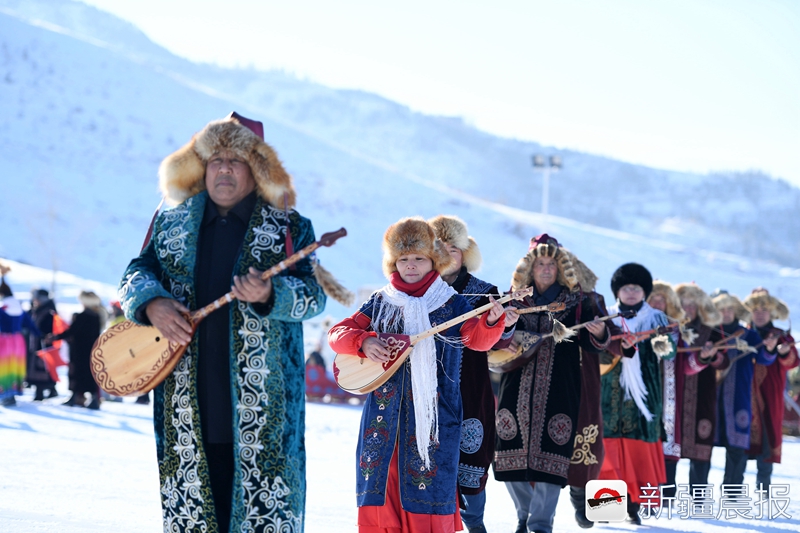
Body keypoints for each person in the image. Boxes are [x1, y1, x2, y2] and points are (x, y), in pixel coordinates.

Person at [118, 112, 349, 532]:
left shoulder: (287, 227)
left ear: (256, 168)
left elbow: (314, 298)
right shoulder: (169, 224)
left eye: (236, 159)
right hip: (186, 410)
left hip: (265, 414)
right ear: (201, 166)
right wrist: (152, 304)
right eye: (215, 159)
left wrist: (270, 295)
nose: (224, 168)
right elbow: (135, 274)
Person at [328, 217, 506, 533]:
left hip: (433, 422)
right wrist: (364, 341)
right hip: (382, 423)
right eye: (403, 259)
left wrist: (492, 322)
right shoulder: (381, 301)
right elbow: (338, 333)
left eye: (418, 258)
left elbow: (477, 340)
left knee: (428, 505)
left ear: (432, 260)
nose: (410, 265)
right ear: (393, 262)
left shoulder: (452, 303)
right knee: (383, 500)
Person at [495, 234, 610, 533]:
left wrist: (598, 333)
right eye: (540, 264)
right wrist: (504, 329)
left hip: (561, 385)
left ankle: (541, 523)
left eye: (552, 264)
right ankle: (524, 515)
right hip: (516, 381)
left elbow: (597, 345)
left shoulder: (579, 302)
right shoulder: (513, 299)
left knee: (553, 456)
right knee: (509, 453)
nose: (546, 269)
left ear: (561, 268)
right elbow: (494, 339)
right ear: (529, 268)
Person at [429, 215, 519, 533]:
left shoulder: (485, 293)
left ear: (465, 253)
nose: (448, 254)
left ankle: (475, 523)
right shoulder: (419, 291)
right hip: (428, 390)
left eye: (455, 248)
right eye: (440, 247)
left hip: (471, 387)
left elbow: (499, 345)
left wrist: (503, 327)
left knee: (472, 461)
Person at [598, 263, 677, 525]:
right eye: (625, 288)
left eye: (636, 288)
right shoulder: (604, 317)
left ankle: (634, 506)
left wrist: (653, 343)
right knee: (607, 450)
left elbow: (669, 351)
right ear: (617, 291)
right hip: (608, 394)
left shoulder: (656, 319)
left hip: (643, 398)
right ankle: (606, 509)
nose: (631, 292)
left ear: (645, 291)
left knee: (636, 452)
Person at [711, 289, 776, 486]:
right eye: (722, 309)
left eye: (730, 308)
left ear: (737, 311)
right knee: (704, 445)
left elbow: (764, 358)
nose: (726, 312)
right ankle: (698, 493)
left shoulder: (749, 335)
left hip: (739, 397)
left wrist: (771, 348)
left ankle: (732, 489)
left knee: (737, 446)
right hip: (712, 397)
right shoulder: (710, 333)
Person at [743, 288, 798, 492]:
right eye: (755, 308)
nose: (759, 313)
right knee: (738, 444)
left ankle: (762, 490)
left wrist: (783, 352)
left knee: (767, 441)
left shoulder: (781, 336)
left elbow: (792, 362)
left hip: (769, 397)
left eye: (764, 309)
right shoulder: (743, 334)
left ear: (772, 312)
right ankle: (733, 491)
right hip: (743, 396)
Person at [673, 283, 725, 489]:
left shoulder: (711, 330)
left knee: (702, 446)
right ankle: (666, 494)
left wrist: (714, 355)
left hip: (703, 395)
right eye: (684, 304)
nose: (688, 309)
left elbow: (725, 361)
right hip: (674, 394)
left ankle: (698, 495)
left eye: (693, 305)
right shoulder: (670, 328)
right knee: (670, 446)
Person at [646, 281, 685, 498]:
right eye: (654, 298)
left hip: (668, 391)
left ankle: (668, 494)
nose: (658, 303)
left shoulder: (676, 328)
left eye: (662, 299)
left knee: (669, 441)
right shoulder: (636, 323)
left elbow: (687, 361)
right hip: (641, 390)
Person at [51, 291, 103, 409]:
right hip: (92, 349)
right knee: (89, 374)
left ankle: (75, 396)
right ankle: (93, 398)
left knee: (77, 373)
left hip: (79, 350)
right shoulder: (97, 316)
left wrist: (56, 337)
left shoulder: (81, 316)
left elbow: (72, 332)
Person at [0, 265, 37, 407]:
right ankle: (13, 394)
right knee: (15, 367)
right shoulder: (19, 307)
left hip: (4, 340)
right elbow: (30, 324)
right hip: (18, 340)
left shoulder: (3, 308)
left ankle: (4, 395)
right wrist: (39, 335)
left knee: (3, 367)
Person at [26, 288, 60, 400]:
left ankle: (41, 392)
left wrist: (44, 336)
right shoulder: (38, 310)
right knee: (39, 368)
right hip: (36, 344)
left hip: (45, 344)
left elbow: (50, 328)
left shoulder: (49, 312)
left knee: (42, 368)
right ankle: (50, 390)